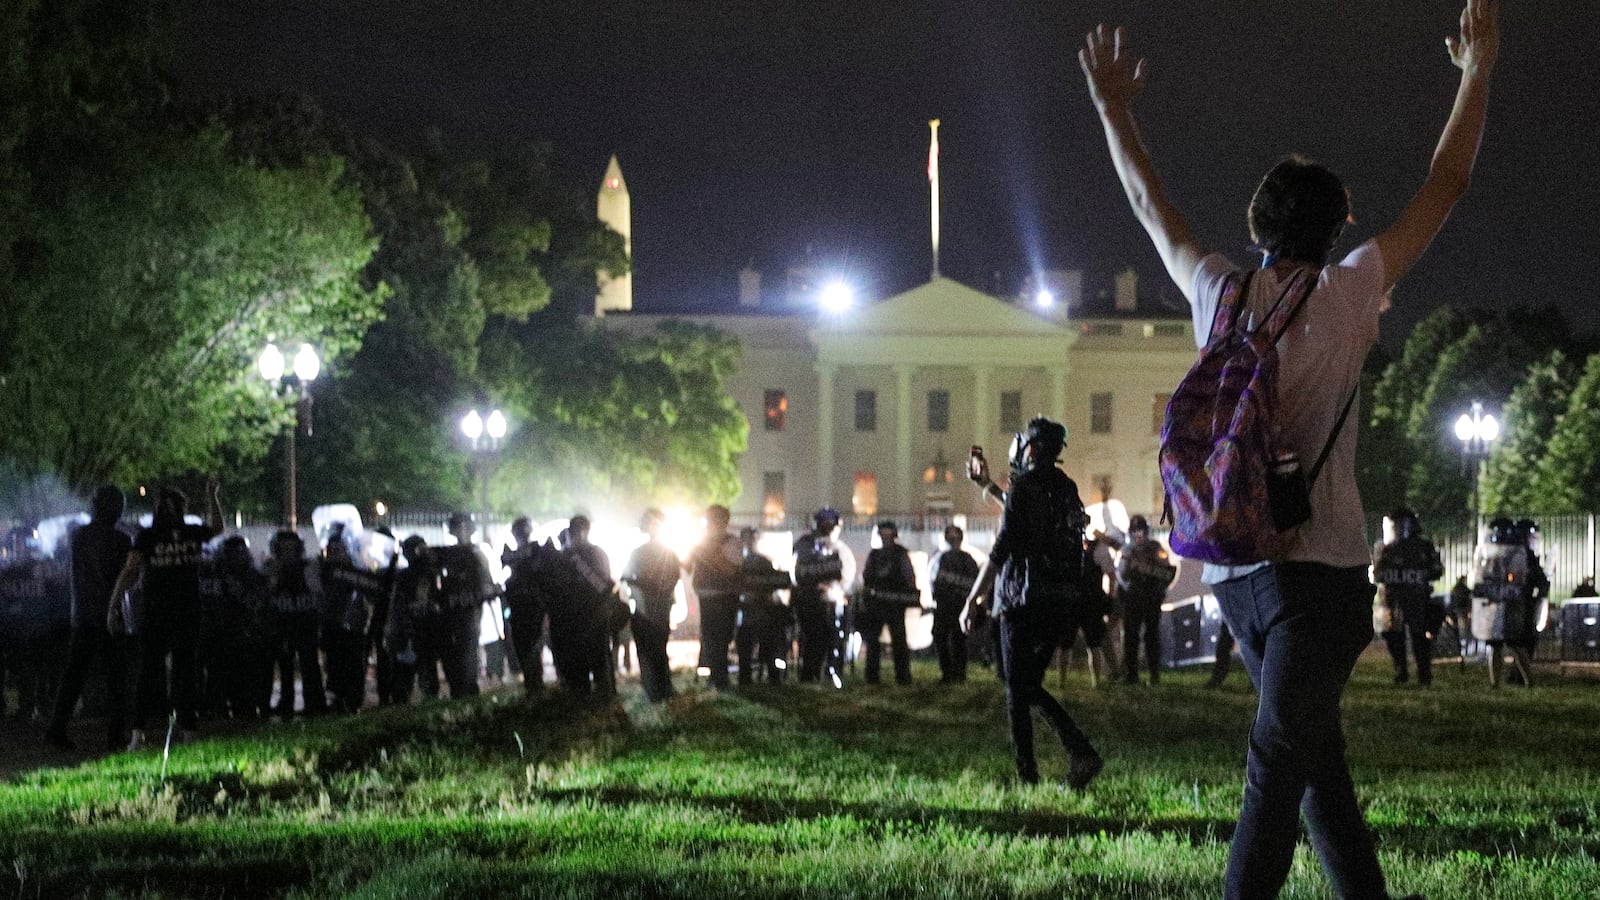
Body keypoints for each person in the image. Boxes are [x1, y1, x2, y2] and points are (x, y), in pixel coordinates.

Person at [1081, 1, 1497, 894]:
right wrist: (1477, 72)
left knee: (1299, 761)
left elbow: (1152, 205)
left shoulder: (1218, 294)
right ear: (1340, 224)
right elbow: (1447, 182)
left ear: (1255, 221)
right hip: (1322, 576)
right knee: (1292, 767)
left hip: (1235, 568)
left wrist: (1115, 108)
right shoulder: (1350, 295)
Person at [962, 417, 1101, 789]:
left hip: (1022, 599)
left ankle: (1033, 774)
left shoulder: (1024, 485)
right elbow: (1026, 515)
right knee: (1025, 685)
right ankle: (1077, 754)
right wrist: (988, 485)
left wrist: (973, 597)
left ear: (1031, 448)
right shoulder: (1065, 486)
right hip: (1059, 601)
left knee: (1016, 687)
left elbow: (1005, 541)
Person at [109, 484, 224, 748]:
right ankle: (188, 731)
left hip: (156, 612)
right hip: (187, 611)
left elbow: (129, 572)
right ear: (181, 508)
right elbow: (217, 528)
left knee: (149, 672)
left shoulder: (147, 537)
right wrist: (212, 497)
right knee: (185, 671)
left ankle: (138, 734)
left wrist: (113, 604)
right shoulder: (191, 533)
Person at [46, 487, 134, 749]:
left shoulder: (78, 536)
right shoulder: (121, 540)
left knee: (74, 676)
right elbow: (121, 578)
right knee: (117, 678)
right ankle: (116, 735)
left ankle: (56, 729)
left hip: (82, 614)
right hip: (109, 614)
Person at [1373, 508, 1446, 685]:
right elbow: (1378, 573)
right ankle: (1401, 671)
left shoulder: (1423, 547)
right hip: (1393, 600)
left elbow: (1436, 570)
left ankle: (1424, 673)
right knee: (1393, 636)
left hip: (1417, 599)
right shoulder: (1386, 549)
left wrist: (1418, 575)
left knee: (1419, 637)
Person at [619, 510, 682, 701]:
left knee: (648, 648)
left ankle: (654, 686)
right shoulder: (667, 552)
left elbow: (627, 578)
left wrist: (642, 585)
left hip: (644, 606)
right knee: (658, 647)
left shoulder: (641, 552)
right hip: (658, 606)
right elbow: (673, 578)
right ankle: (661, 686)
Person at [431, 513, 495, 699]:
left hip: (469, 609)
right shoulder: (448, 554)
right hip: (451, 610)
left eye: (462, 528)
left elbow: (486, 582)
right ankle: (458, 688)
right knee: (453, 652)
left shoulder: (476, 553)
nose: (459, 532)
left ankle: (468, 689)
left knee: (468, 650)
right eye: (457, 528)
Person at [791, 508, 856, 686]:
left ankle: (826, 672)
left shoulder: (838, 548)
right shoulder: (805, 545)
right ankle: (811, 673)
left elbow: (846, 574)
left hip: (829, 601)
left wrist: (837, 588)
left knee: (829, 637)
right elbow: (798, 572)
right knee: (814, 637)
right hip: (809, 600)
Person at [265, 530, 326, 718]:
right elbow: (268, 592)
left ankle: (315, 704)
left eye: (292, 548)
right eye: (284, 548)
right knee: (285, 664)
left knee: (309, 664)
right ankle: (286, 703)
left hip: (305, 620)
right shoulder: (272, 568)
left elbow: (317, 592)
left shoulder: (309, 567)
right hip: (284, 621)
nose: (288, 552)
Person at [557, 516, 617, 698]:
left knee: (586, 657)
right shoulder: (597, 553)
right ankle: (604, 693)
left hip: (583, 613)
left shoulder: (570, 556)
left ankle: (587, 693)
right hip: (594, 612)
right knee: (598, 656)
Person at [1115, 515, 1176, 685]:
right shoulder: (1126, 551)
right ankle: (1132, 675)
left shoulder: (1155, 548)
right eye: (1135, 531)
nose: (1138, 534)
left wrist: (1158, 586)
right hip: (1133, 598)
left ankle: (1154, 675)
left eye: (1140, 530)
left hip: (1151, 597)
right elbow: (1121, 575)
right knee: (1131, 637)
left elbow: (1166, 572)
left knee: (1152, 636)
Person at [686, 505, 743, 690]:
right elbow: (687, 566)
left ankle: (720, 678)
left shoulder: (731, 542)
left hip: (725, 596)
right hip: (706, 595)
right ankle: (715, 676)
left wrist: (709, 551)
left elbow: (731, 569)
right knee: (710, 637)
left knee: (721, 637)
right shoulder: (702, 542)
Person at [858, 520, 918, 685]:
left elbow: (909, 578)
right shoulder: (875, 555)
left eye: (887, 535)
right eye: (882, 535)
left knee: (898, 641)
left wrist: (906, 595)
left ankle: (903, 676)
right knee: (873, 641)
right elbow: (867, 577)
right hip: (878, 604)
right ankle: (873, 676)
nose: (885, 538)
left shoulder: (900, 554)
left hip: (894, 603)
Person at [502, 516, 555, 696]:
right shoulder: (517, 554)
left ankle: (535, 688)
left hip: (535, 608)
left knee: (532, 648)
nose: (520, 534)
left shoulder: (538, 551)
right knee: (524, 649)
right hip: (520, 608)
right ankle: (533, 687)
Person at [736, 527, 793, 685]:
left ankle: (751, 676)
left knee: (759, 642)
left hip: (756, 610)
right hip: (751, 610)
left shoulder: (751, 561)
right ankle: (768, 675)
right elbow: (779, 582)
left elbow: (778, 581)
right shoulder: (744, 561)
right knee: (760, 642)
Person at [928, 525, 979, 683]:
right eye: (951, 538)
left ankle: (959, 673)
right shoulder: (941, 558)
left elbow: (974, 583)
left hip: (959, 605)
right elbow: (933, 581)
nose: (953, 541)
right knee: (940, 637)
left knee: (958, 639)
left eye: (956, 538)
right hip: (944, 605)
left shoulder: (967, 559)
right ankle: (948, 672)